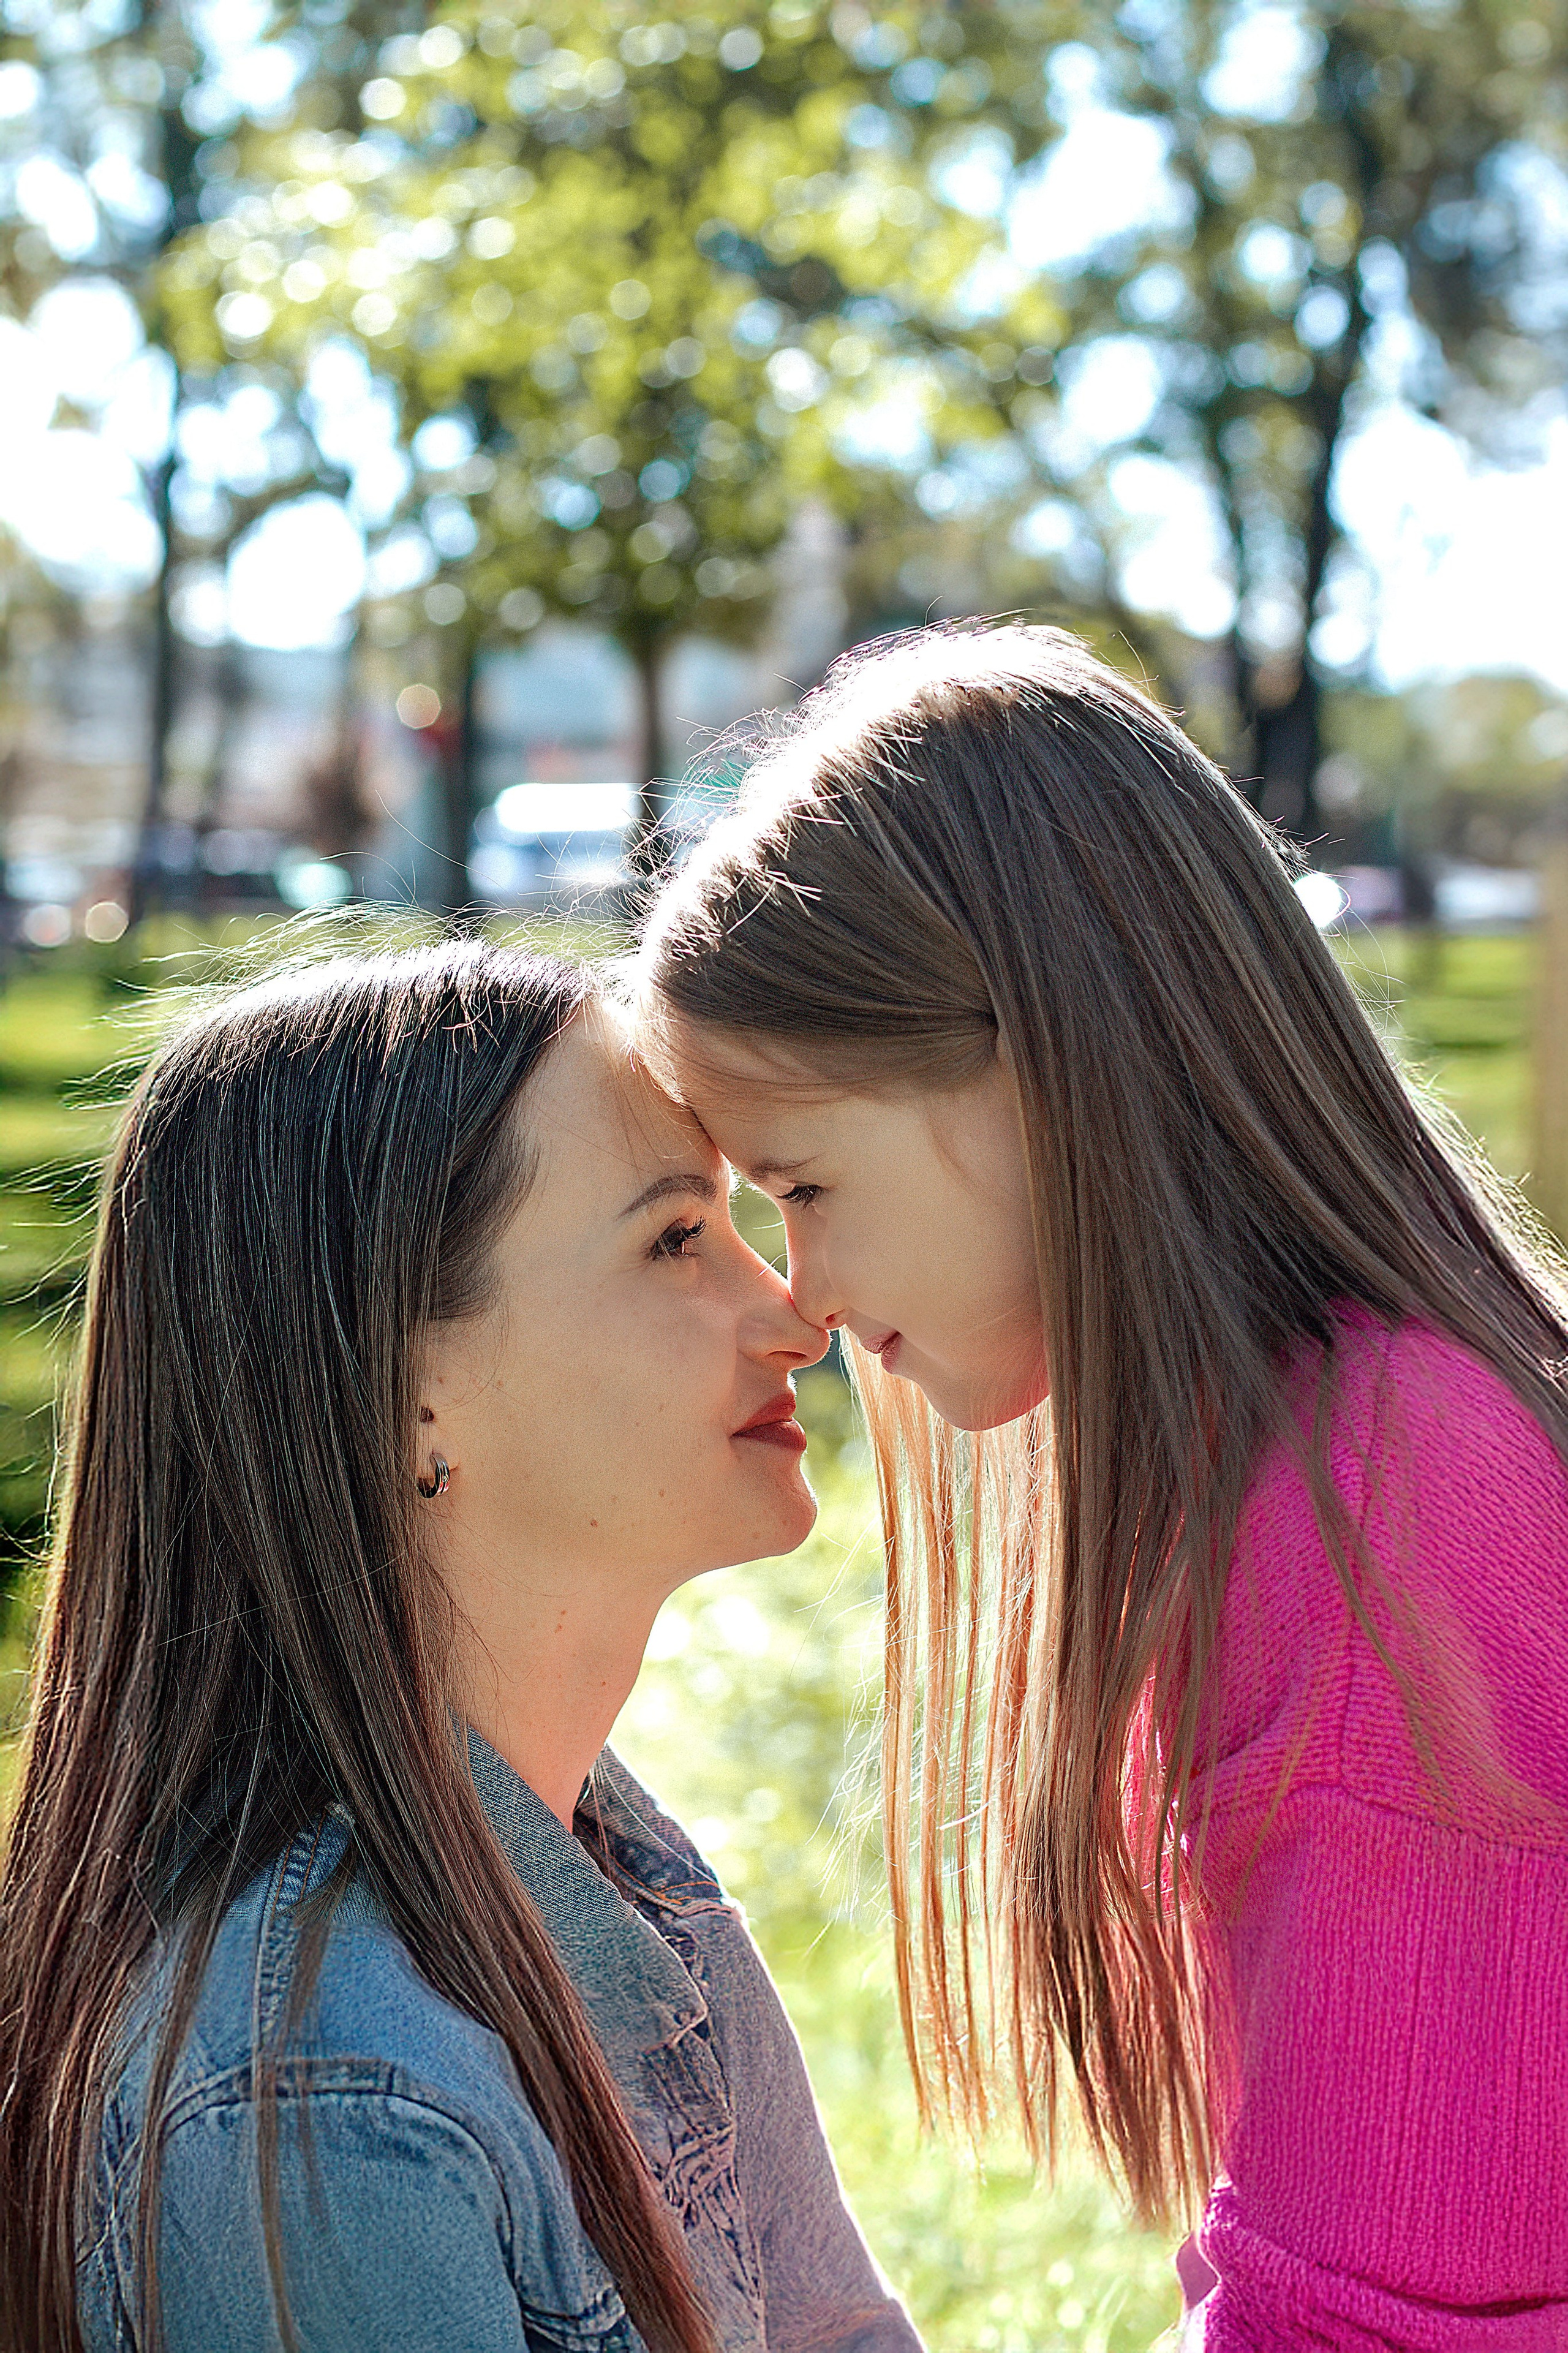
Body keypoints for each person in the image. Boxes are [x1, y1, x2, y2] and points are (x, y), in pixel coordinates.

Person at [637, 622, 1568, 2350]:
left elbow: (1386, 2317)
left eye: (805, 1182)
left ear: (1036, 1073)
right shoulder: (1343, 1439)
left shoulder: (1377, 1513)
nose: (806, 1293)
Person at [0, 938, 920, 2353]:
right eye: (676, 1238)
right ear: (410, 1389)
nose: (791, 1317)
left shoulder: (607, 1861)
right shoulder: (327, 2088)